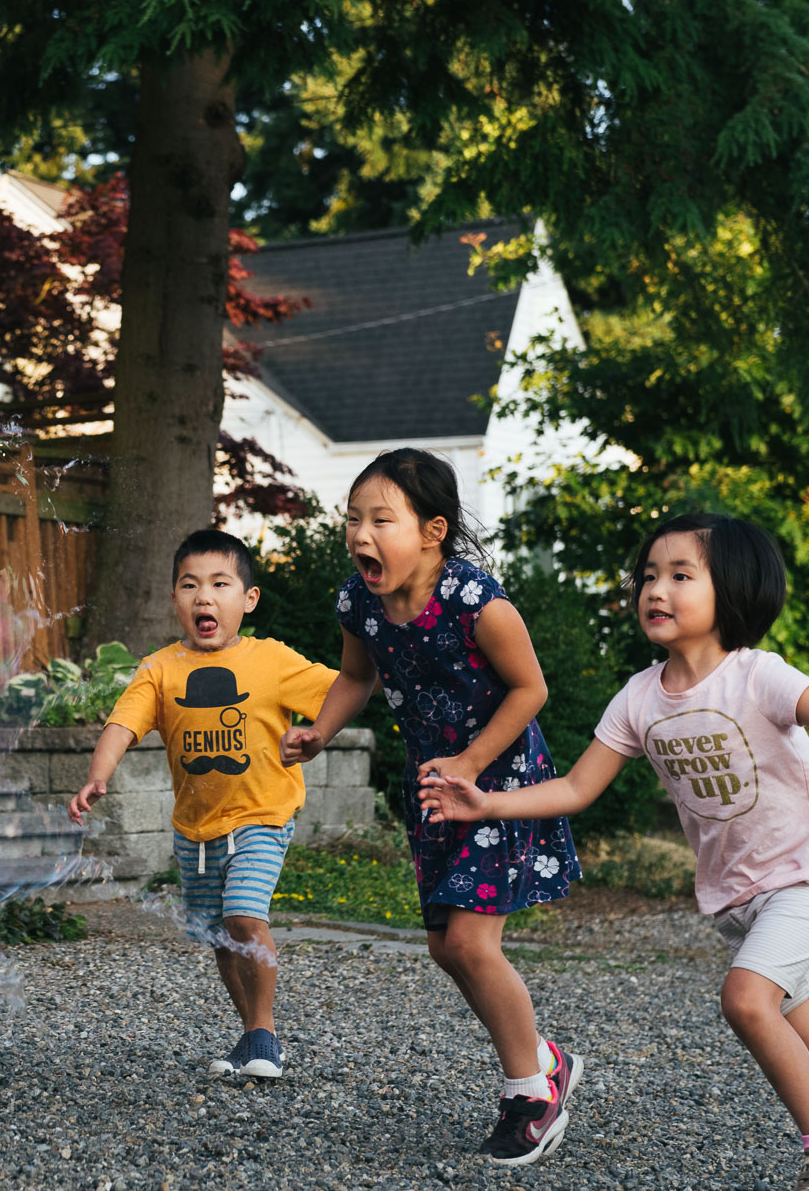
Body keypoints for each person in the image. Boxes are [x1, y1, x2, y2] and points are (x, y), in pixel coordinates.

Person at [421, 513, 809, 1191]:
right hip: (740, 899)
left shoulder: (759, 676)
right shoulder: (640, 697)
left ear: (732, 589)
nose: (656, 588)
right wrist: (485, 801)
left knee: (746, 1000)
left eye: (681, 575)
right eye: (649, 575)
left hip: (808, 879)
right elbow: (576, 787)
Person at [279, 448, 583, 1167]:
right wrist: (321, 730)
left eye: (381, 519)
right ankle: (542, 1057)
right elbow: (357, 675)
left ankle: (531, 1094)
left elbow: (530, 689)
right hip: (436, 793)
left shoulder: (478, 601)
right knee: (447, 948)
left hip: (499, 787)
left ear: (432, 530)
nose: (360, 534)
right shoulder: (359, 602)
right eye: (352, 518)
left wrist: (473, 767)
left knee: (473, 945)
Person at [67, 529, 336, 1079]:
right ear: (175, 600)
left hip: (261, 815)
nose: (203, 597)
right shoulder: (159, 669)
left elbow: (344, 688)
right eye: (189, 585)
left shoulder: (272, 661)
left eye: (220, 584)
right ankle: (254, 1036)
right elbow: (123, 724)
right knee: (219, 936)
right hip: (194, 830)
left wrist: (318, 732)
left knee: (243, 915)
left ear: (248, 599)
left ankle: (262, 1037)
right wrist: (98, 774)